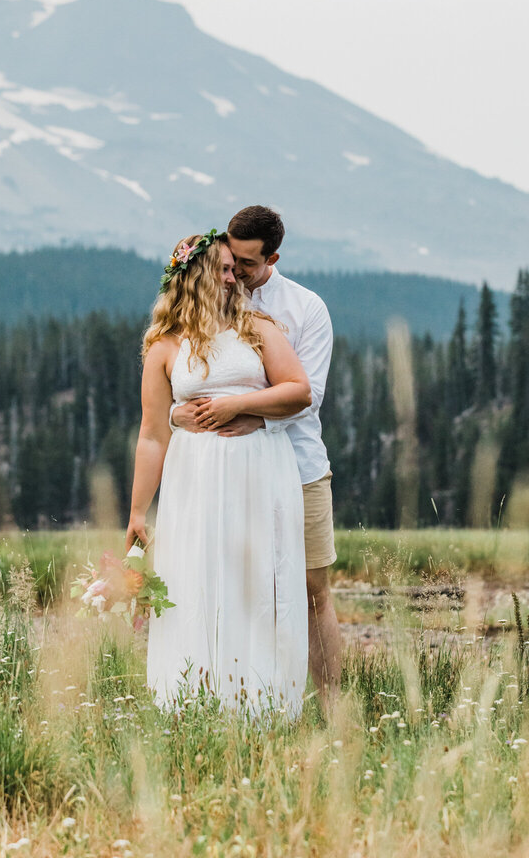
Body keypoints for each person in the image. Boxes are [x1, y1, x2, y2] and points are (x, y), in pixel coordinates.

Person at [126, 229, 311, 716]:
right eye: (224, 270)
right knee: (195, 579)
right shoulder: (164, 347)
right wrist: (137, 510)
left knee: (256, 581)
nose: (234, 279)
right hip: (195, 481)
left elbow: (299, 390)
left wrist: (238, 404)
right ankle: (193, 701)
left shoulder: (258, 328)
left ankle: (262, 704)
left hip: (259, 472)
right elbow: (151, 433)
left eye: (235, 270)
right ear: (195, 277)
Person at [171, 206, 342, 705]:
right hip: (226, 473)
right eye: (230, 260)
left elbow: (310, 393)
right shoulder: (205, 303)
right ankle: (247, 700)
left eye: (246, 263)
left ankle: (331, 709)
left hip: (300, 465)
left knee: (311, 592)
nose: (235, 272)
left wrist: (253, 415)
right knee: (238, 589)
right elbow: (177, 381)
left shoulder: (305, 309)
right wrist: (178, 416)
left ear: (272, 258)